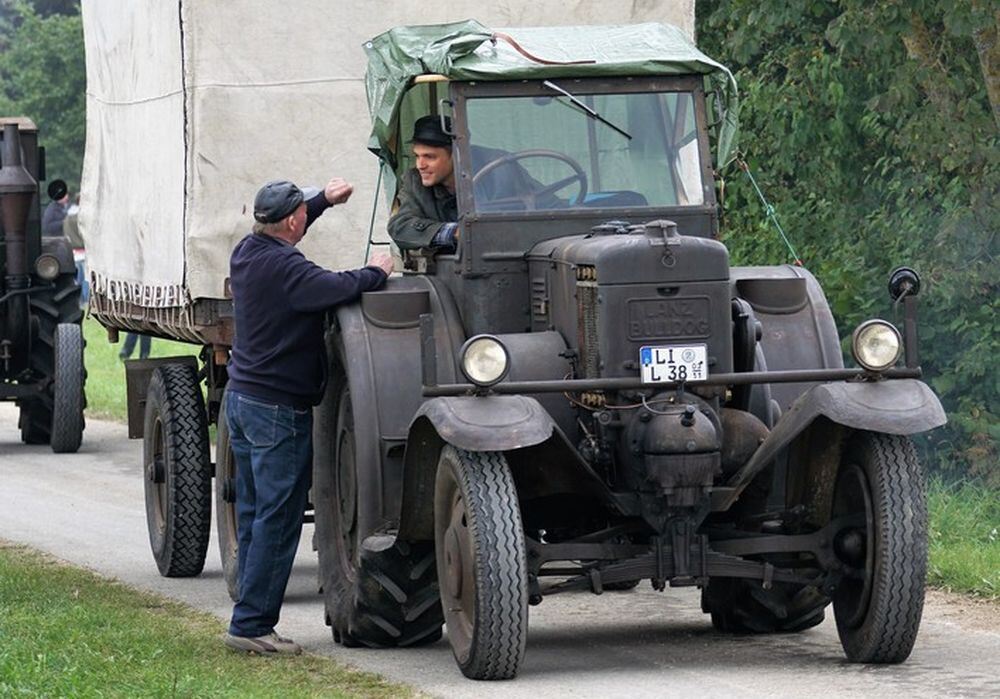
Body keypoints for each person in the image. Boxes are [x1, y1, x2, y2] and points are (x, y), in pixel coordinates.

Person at [223, 177, 393, 655]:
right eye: (304, 213)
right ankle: (252, 626)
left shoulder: (248, 252)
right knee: (278, 521)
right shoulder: (290, 271)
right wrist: (376, 271)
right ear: (292, 220)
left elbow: (291, 233)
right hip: (277, 410)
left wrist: (323, 201)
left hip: (243, 401)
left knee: (258, 515)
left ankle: (247, 618)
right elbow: (334, 286)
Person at [386, 115, 460, 252]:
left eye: (429, 157)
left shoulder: (493, 176)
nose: (420, 165)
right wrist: (453, 232)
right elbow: (399, 227)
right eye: (417, 156)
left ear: (455, 155)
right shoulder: (414, 181)